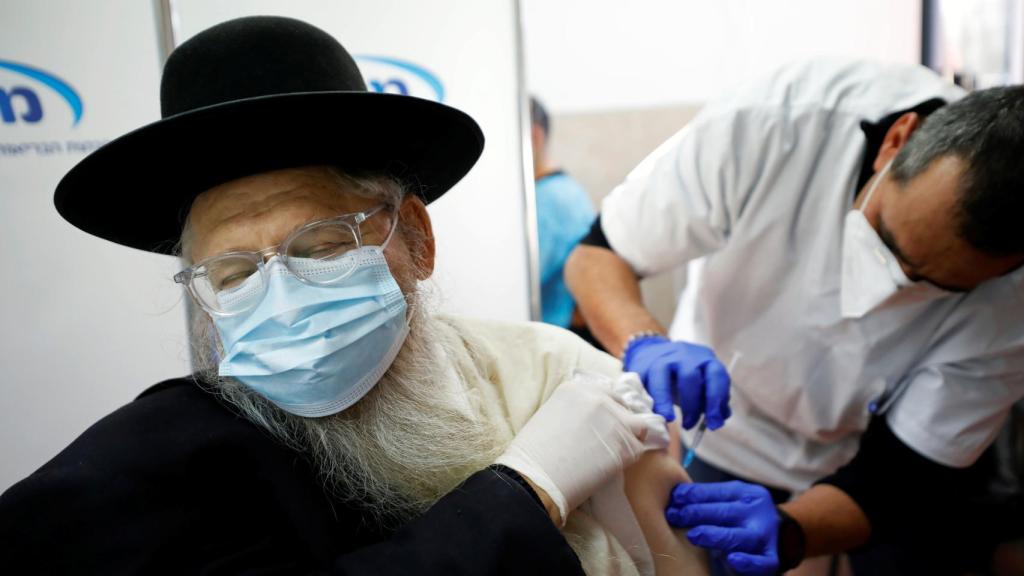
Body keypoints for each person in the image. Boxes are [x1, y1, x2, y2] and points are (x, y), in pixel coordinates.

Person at [0, 16, 710, 576]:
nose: (282, 299)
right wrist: (531, 488)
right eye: (236, 274)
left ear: (417, 240)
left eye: (322, 246)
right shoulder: (163, 463)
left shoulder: (553, 379)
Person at [566, 58, 1024, 575]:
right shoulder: (775, 121)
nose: (885, 286)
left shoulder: (1014, 305)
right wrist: (643, 341)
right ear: (897, 140)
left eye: (935, 284)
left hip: (864, 451)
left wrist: (792, 532)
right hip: (721, 428)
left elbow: (901, 475)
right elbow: (597, 255)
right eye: (886, 237)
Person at [530, 96, 597, 340]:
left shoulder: (550, 200)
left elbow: (516, 281)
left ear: (534, 137)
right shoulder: (563, 191)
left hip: (562, 337)